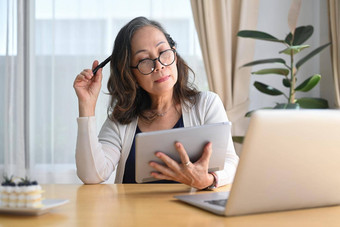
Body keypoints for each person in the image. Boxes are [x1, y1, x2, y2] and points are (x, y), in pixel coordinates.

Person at [73, 16, 239, 190]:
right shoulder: (121, 121)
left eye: (163, 52)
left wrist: (208, 179)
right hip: (130, 217)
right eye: (144, 60)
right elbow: (92, 175)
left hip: (191, 215)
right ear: (131, 75)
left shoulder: (206, 105)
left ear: (174, 52)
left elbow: (231, 162)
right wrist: (86, 105)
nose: (159, 65)